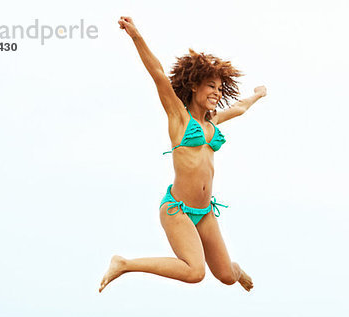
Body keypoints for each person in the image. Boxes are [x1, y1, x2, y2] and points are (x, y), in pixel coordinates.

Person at [99, 16, 266, 293]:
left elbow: (238, 108)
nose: (216, 92)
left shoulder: (212, 123)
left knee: (225, 275)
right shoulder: (179, 117)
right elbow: (158, 75)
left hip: (204, 211)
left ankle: (237, 270)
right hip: (177, 210)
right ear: (194, 86)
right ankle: (124, 263)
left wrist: (257, 95)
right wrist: (136, 36)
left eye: (219, 88)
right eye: (211, 86)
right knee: (194, 272)